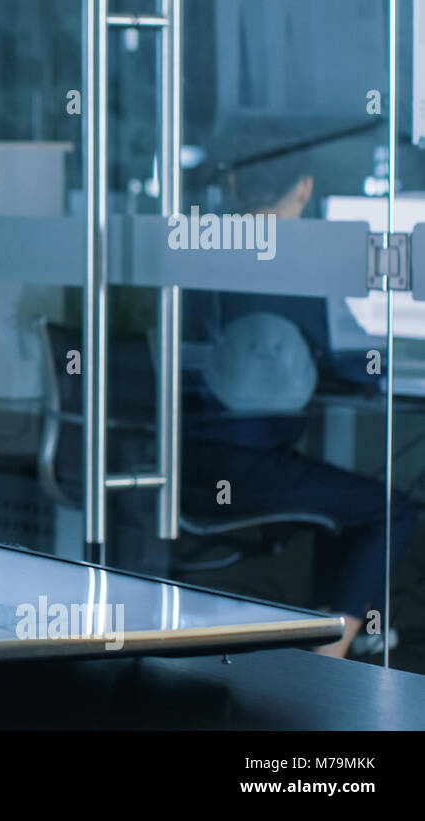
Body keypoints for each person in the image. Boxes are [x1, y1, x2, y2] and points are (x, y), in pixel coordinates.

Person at [179, 143, 414, 659]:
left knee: (350, 507)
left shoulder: (196, 253)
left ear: (235, 185)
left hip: (181, 460)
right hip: (249, 468)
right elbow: (349, 362)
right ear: (305, 188)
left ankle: (333, 635)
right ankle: (330, 658)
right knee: (390, 511)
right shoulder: (295, 265)